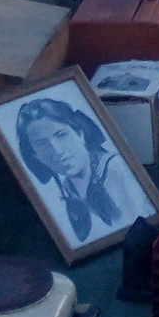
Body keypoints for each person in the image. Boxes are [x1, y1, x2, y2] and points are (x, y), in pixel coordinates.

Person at [15, 96, 151, 244]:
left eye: (61, 135)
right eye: (42, 145)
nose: (57, 150)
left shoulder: (118, 171)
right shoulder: (68, 188)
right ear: (35, 156)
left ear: (80, 133)